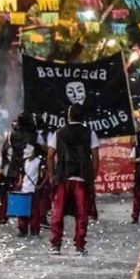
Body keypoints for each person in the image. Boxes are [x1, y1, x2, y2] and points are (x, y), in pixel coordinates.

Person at [47, 105, 100, 255]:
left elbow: (50, 155)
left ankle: (56, 245)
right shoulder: (90, 133)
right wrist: (92, 176)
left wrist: (52, 175)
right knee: (81, 213)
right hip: (82, 178)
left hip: (62, 176)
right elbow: (95, 157)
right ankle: (79, 246)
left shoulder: (59, 133)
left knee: (58, 212)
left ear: (68, 116)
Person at [16, 144, 45, 237]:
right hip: (24, 189)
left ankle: (34, 230)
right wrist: (20, 183)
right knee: (22, 211)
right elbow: (22, 173)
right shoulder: (24, 162)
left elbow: (46, 174)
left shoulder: (39, 162)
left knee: (34, 212)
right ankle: (23, 229)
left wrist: (41, 185)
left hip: (33, 190)